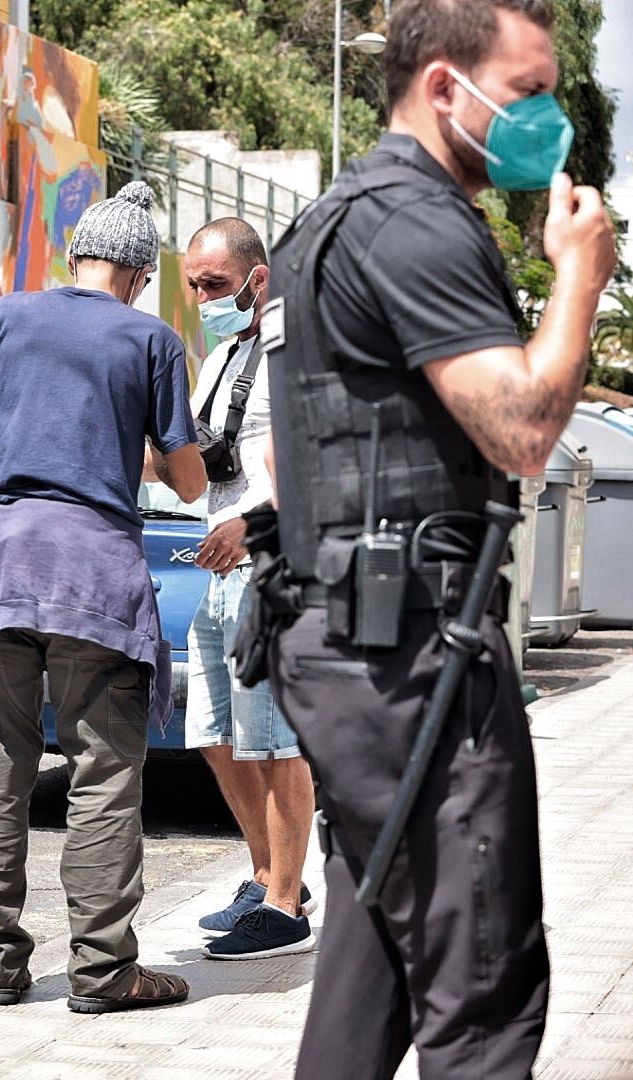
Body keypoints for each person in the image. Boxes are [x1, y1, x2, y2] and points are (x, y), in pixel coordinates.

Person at [261, 1, 615, 1076]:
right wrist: (579, 278)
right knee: (485, 991)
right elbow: (520, 428)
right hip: (412, 651)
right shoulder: (414, 222)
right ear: (444, 88)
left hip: (353, 638)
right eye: (527, 91)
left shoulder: (325, 220)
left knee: (371, 970)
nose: (547, 118)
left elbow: (295, 460)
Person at [0, 182, 207, 1013]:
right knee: (104, 780)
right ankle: (104, 974)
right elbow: (187, 480)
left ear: (75, 256)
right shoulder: (152, 339)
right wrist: (141, 452)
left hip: (0, 563)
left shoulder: (9, 315)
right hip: (94, 573)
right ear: (139, 272)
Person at [178, 220, 316, 960]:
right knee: (215, 734)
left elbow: (316, 458)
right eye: (193, 286)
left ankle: (287, 906)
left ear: (258, 279)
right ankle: (265, 875)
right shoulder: (223, 355)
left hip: (269, 561)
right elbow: (201, 459)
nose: (202, 299)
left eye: (215, 285)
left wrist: (255, 522)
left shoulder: (297, 349)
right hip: (219, 568)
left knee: (274, 741)